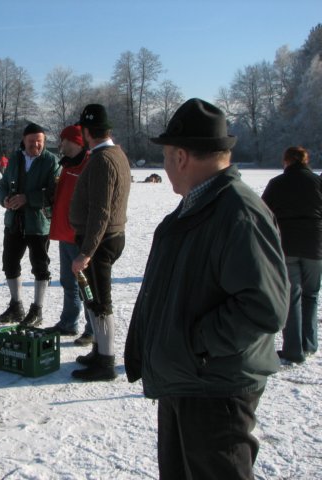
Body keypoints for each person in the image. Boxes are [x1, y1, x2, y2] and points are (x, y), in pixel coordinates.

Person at [124, 98, 289, 480]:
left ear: (181, 157)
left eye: (166, 157)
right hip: (187, 382)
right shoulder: (198, 207)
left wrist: (197, 345)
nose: (164, 168)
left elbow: (264, 306)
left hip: (215, 390)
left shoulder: (238, 212)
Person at [69, 105, 131, 381]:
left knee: (100, 303)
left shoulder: (103, 160)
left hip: (101, 243)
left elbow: (101, 212)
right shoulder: (113, 154)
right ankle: (99, 351)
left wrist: (86, 253)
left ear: (85, 131)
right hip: (106, 239)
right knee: (93, 300)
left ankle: (106, 361)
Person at [262, 146, 322, 364]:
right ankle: (310, 343)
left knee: (291, 297)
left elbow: (263, 212)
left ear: (286, 161)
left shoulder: (277, 184)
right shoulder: (317, 182)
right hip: (315, 245)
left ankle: (293, 350)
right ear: (305, 161)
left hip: (287, 245)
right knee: (311, 294)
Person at [0, 123, 59, 326]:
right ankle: (16, 306)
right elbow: (3, 184)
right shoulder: (15, 158)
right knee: (10, 263)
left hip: (38, 224)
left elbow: (53, 193)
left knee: (40, 266)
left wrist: (27, 198)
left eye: (40, 141)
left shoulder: (51, 161)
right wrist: (5, 199)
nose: (36, 145)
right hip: (14, 221)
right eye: (32, 141)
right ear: (24, 140)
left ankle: (37, 309)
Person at [45, 125, 91, 338]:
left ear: (75, 141)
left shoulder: (89, 162)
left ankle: (92, 329)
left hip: (79, 236)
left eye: (63, 140)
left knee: (86, 286)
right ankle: (68, 322)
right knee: (68, 283)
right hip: (64, 233)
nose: (60, 144)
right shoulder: (67, 164)